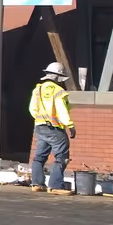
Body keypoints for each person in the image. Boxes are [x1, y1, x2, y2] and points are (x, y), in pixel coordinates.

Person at [28, 61, 76, 193]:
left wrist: (42, 119)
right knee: (62, 156)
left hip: (40, 127)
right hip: (55, 128)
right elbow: (61, 109)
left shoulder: (37, 90)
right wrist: (70, 125)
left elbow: (32, 109)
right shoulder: (58, 91)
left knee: (39, 156)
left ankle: (37, 184)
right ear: (58, 77)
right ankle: (55, 185)